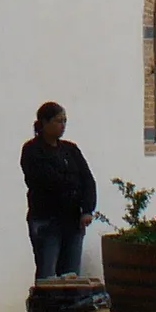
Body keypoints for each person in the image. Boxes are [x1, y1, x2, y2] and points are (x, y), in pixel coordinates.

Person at [20, 101, 98, 281]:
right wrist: (71, 183)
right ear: (44, 123)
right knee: (47, 274)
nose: (62, 125)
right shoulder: (32, 150)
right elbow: (44, 181)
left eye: (65, 121)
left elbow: (87, 179)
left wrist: (87, 209)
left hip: (72, 220)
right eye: (57, 121)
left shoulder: (70, 149)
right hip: (46, 220)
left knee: (70, 275)